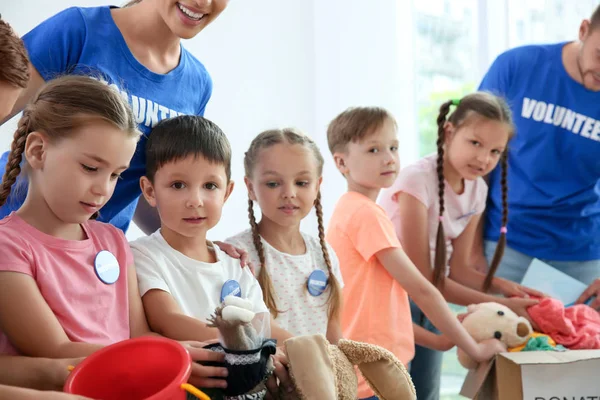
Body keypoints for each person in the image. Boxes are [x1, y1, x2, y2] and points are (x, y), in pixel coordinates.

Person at [0, 76, 227, 390]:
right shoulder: (7, 247)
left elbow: (140, 335)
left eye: (116, 176)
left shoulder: (112, 240)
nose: (102, 189)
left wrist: (187, 355)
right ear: (38, 151)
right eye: (91, 168)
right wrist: (163, 356)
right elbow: (54, 349)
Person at [0, 0, 229, 235]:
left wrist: (204, 251)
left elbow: (149, 190)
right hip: (11, 227)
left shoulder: (197, 85)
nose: (203, 2)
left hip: (93, 257)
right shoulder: (79, 30)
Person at [325, 106, 505, 400]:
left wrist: (437, 339)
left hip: (374, 372)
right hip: (373, 379)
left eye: (393, 147)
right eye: (373, 150)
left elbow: (384, 315)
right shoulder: (366, 215)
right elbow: (423, 290)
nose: (388, 158)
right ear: (341, 162)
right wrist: (475, 349)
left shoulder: (351, 210)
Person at [379, 93, 540, 400]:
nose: (484, 159)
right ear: (449, 132)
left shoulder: (477, 189)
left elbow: (460, 270)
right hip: (392, 298)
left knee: (424, 393)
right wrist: (502, 306)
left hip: (428, 301)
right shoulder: (416, 180)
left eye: (495, 151)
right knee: (392, 390)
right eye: (475, 143)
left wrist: (509, 289)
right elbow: (422, 278)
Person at [130, 116, 293, 396]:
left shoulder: (235, 263)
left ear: (227, 191)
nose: (196, 200)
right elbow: (166, 319)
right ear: (149, 190)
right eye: (178, 185)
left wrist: (302, 347)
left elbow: (263, 323)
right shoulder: (143, 254)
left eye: (210, 186)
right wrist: (250, 347)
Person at [474, 5, 600, 311]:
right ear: (583, 30)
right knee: (497, 353)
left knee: (581, 356)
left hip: (583, 254)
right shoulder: (516, 66)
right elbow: (473, 164)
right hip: (505, 244)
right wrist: (470, 251)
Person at [226, 128, 344, 343]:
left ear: (317, 186)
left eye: (301, 183)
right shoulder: (236, 255)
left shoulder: (324, 254)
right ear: (251, 188)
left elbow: (334, 332)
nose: (289, 193)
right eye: (273, 183)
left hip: (319, 375)